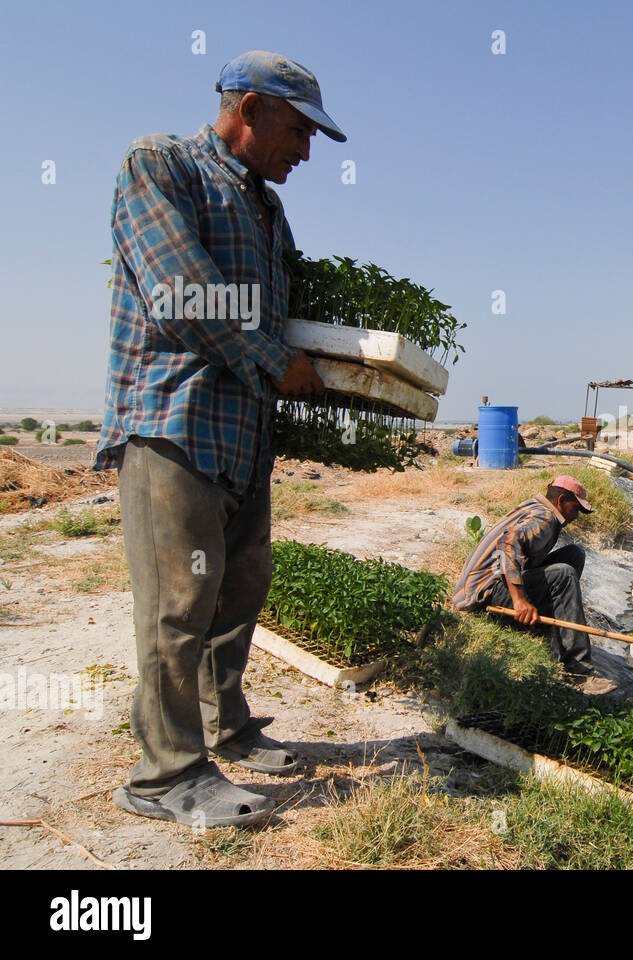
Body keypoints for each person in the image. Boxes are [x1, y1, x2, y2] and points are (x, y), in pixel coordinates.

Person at [95, 51, 345, 829]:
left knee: (238, 594)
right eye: (299, 130)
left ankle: (227, 727)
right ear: (249, 108)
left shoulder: (269, 211)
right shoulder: (161, 166)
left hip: (245, 438)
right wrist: (278, 362)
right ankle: (165, 775)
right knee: (178, 606)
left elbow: (274, 321)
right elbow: (180, 293)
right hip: (176, 428)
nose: (306, 152)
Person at [451, 476, 611, 686]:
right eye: (576, 509)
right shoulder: (544, 518)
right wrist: (519, 600)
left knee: (574, 554)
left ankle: (546, 628)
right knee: (564, 573)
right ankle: (578, 669)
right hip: (484, 596)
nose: (577, 516)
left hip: (494, 584)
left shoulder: (537, 508)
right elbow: (508, 543)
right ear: (561, 500)